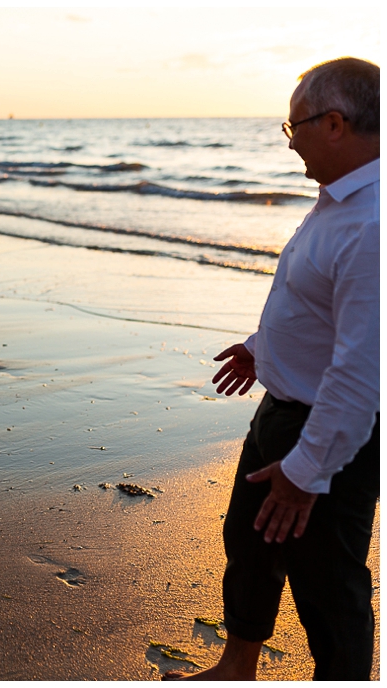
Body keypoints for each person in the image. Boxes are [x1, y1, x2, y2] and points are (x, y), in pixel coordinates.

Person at [167, 58, 379, 680]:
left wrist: (307, 470)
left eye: (295, 128)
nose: (290, 142)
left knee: (328, 583)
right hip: (281, 411)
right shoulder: (338, 201)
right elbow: (313, 300)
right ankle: (237, 666)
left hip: (330, 434)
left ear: (335, 123)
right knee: (250, 545)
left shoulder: (372, 225)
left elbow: (361, 373)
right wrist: (264, 346)